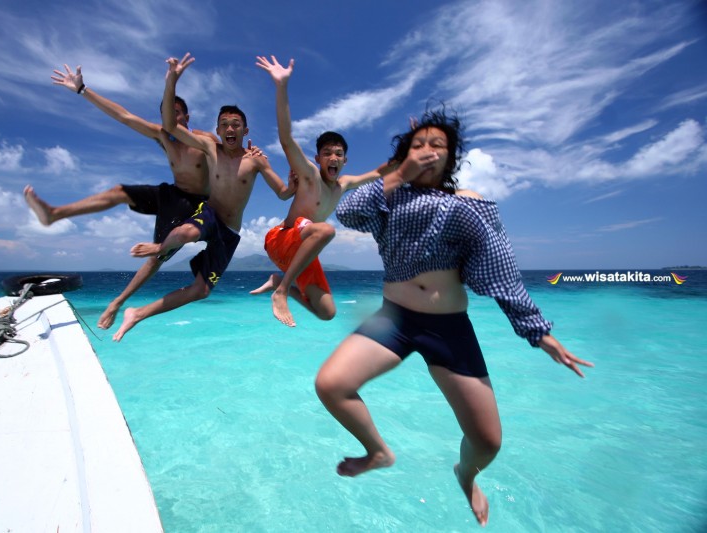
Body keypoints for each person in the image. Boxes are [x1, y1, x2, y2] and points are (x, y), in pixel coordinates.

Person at [313, 108, 594, 526]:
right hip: (394, 320)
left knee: (487, 442)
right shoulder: (388, 196)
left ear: (451, 158)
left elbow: (501, 269)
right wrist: (395, 176)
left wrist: (538, 332)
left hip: (447, 328)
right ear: (404, 155)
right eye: (418, 144)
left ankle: (466, 475)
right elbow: (348, 212)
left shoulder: (469, 204)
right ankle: (378, 451)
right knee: (331, 384)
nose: (426, 151)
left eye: (437, 145)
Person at [24, 63, 217, 331]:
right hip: (170, 193)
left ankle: (118, 302)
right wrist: (82, 90)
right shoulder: (162, 136)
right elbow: (124, 116)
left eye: (176, 113)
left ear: (186, 116)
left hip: (194, 203)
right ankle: (54, 214)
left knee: (156, 257)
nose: (170, 120)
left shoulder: (204, 140)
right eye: (165, 115)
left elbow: (230, 158)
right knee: (118, 192)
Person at [116, 53, 296, 341]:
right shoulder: (210, 148)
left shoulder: (256, 161)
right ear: (217, 131)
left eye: (235, 124)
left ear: (245, 130)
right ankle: (161, 247)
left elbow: (283, 194)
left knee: (201, 291)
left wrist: (291, 183)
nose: (229, 129)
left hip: (230, 231)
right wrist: (171, 80)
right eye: (224, 124)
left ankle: (137, 313)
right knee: (187, 230)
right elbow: (171, 127)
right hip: (209, 213)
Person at [251, 55, 393, 327]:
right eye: (327, 153)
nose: (333, 158)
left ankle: (280, 283)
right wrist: (281, 86)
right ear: (317, 159)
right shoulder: (308, 174)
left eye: (338, 154)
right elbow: (286, 137)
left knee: (327, 312)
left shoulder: (344, 184)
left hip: (302, 249)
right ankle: (281, 293)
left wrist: (410, 150)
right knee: (326, 230)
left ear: (345, 160)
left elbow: (379, 172)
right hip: (280, 240)